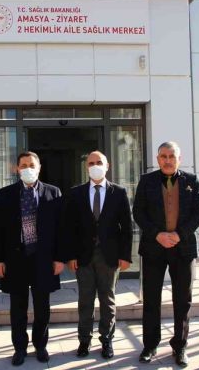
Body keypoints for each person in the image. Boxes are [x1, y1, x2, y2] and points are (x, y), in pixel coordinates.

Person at [133, 141, 199, 367]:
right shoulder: (146, 181)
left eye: (171, 156)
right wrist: (157, 234)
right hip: (154, 248)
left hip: (183, 248)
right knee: (151, 299)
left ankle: (180, 346)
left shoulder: (191, 181)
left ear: (179, 159)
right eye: (163, 156)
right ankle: (150, 345)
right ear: (157, 159)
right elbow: (138, 212)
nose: (167, 160)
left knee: (183, 300)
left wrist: (179, 234)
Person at [0, 151, 65, 366]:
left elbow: (61, 228)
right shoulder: (5, 194)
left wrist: (59, 258)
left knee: (43, 307)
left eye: (31, 165)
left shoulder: (53, 192)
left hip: (43, 259)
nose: (28, 169)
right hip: (16, 259)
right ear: (17, 169)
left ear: (39, 167)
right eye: (23, 165)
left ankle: (41, 345)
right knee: (18, 308)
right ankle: (20, 348)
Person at [62, 151, 133, 359]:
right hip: (83, 256)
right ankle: (84, 340)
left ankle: (107, 340)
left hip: (109, 256)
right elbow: (69, 228)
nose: (95, 166)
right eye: (91, 163)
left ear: (107, 166)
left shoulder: (118, 192)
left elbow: (126, 227)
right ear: (86, 167)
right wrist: (70, 255)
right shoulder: (76, 193)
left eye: (99, 162)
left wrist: (125, 256)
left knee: (107, 300)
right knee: (85, 300)